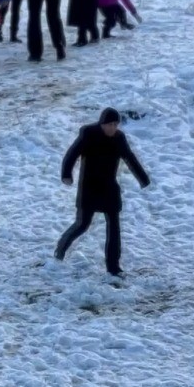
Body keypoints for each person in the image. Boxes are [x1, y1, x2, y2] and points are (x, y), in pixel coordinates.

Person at [54, 108, 151, 277]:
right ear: (102, 124)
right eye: (109, 124)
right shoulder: (89, 134)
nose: (113, 128)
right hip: (89, 189)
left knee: (114, 227)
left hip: (110, 189)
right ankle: (60, 249)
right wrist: (66, 175)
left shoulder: (119, 138)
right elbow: (72, 154)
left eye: (115, 124)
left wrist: (143, 178)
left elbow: (129, 157)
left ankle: (113, 267)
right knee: (82, 224)